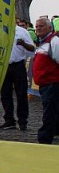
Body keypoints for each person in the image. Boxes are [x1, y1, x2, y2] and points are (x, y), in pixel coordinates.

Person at [0, 21, 35, 131]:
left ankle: (22, 121)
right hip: (3, 66)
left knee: (21, 94)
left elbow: (32, 48)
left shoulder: (22, 31)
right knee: (5, 94)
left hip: (18, 65)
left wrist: (23, 44)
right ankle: (9, 120)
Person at [33, 17, 59, 145]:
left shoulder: (54, 41)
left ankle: (44, 139)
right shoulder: (42, 43)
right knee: (53, 110)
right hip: (45, 84)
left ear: (49, 28)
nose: (38, 28)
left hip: (52, 83)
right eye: (37, 26)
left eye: (41, 26)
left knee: (49, 112)